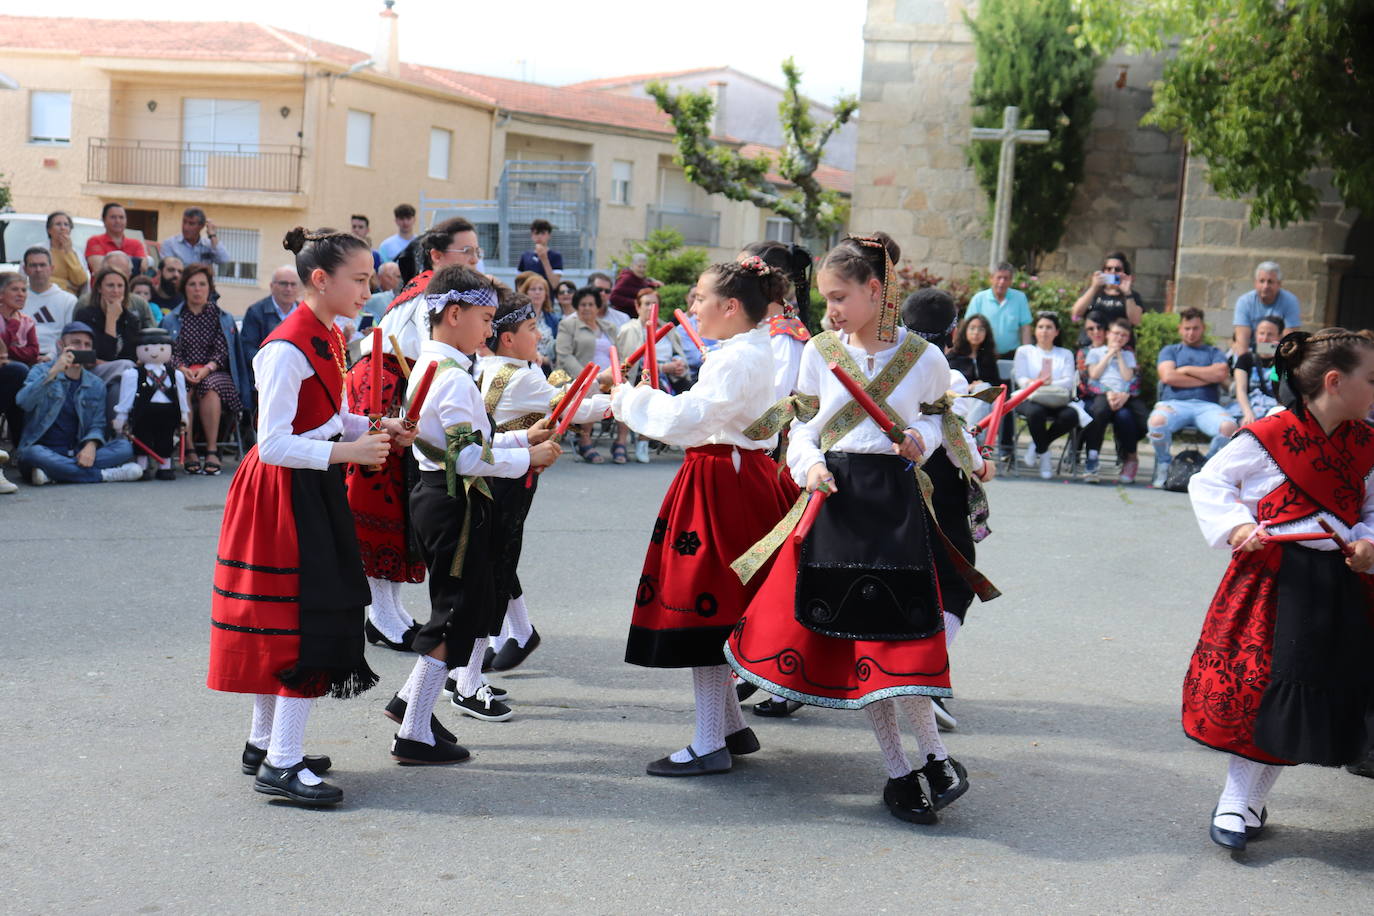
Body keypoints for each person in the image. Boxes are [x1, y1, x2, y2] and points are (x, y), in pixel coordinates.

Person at [725, 234, 971, 824]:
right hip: (835, 501)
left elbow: (944, 422)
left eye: (840, 297)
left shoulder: (925, 358)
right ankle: (899, 771)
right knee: (860, 642)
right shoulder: (821, 351)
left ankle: (934, 757)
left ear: (874, 291)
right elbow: (802, 427)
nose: (830, 309)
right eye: (825, 298)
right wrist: (807, 465)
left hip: (895, 507)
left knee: (902, 644)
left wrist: (922, 441)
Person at [208, 227, 410, 806]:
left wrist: (377, 428)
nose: (369, 289)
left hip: (309, 485)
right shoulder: (284, 348)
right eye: (361, 279)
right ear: (320, 280)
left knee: (295, 617)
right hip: (282, 494)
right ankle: (282, 762)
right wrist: (349, 452)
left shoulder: (330, 333)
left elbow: (328, 418)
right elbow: (270, 443)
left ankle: (265, 744)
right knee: (301, 620)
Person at [1182, 328, 1374, 852]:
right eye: (1372, 379)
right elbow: (1208, 483)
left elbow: (1371, 510)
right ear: (1335, 382)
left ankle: (1247, 798)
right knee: (1258, 693)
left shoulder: (1367, 444)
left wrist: (1368, 542)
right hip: (1269, 582)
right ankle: (1236, 798)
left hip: (1335, 586)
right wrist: (1239, 528)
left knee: (1303, 695)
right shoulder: (1267, 437)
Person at [612, 257, 799, 776]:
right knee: (718, 601)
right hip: (735, 475)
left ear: (730, 306)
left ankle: (708, 740)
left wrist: (629, 399)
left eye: (699, 297)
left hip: (723, 482)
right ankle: (730, 726)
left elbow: (691, 418)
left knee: (705, 605)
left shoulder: (736, 358)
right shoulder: (749, 348)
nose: (693, 306)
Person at [385, 266, 560, 763]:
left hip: (437, 495)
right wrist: (528, 458)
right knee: (455, 616)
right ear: (454, 314)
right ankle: (413, 730)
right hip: (453, 503)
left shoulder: (434, 367)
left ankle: (411, 713)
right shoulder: (455, 378)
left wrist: (520, 437)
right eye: (485, 319)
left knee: (460, 612)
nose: (489, 330)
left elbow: (461, 443)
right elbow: (465, 459)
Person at [346, 217, 484, 652]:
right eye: (468, 252)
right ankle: (380, 614)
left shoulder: (435, 289)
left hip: (400, 386)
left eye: (477, 251)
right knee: (382, 504)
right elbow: (435, 354)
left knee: (399, 506)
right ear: (438, 256)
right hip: (387, 391)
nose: (475, 259)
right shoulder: (433, 291)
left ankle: (389, 610)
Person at [474, 292, 609, 694]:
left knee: (495, 554)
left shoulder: (486, 366)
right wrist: (620, 401)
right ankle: (508, 637)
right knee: (496, 556)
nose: (541, 335)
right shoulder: (523, 375)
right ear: (509, 338)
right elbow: (572, 408)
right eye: (532, 329)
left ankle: (512, 634)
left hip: (492, 471)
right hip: (509, 475)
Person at [901, 287, 997, 730]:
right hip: (934, 483)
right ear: (953, 331)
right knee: (956, 580)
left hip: (877, 481)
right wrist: (981, 465)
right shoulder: (945, 374)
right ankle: (923, 676)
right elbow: (955, 437)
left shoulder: (881, 364)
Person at [14, 322, 140, 485]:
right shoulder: (40, 371)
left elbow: (98, 423)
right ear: (61, 345)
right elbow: (23, 402)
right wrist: (54, 372)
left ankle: (54, 474)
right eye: (76, 343)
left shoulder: (96, 384)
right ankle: (105, 475)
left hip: (78, 451)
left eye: (87, 345)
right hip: (45, 450)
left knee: (125, 447)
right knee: (31, 453)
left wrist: (91, 446)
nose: (82, 348)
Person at [165, 265, 241, 476]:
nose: (197, 289)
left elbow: (223, 351)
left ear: (209, 288)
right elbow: (169, 351)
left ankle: (211, 450)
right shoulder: (172, 319)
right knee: (182, 385)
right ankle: (189, 449)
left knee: (209, 386)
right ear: (184, 288)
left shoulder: (221, 317)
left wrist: (207, 369)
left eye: (202, 284)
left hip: (215, 372)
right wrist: (182, 368)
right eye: (192, 284)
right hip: (183, 371)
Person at [1148, 307, 1237, 488]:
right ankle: (1164, 465)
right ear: (1180, 328)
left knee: (1229, 427)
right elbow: (1168, 377)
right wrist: (1205, 378)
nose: (1191, 333)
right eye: (1187, 328)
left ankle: (1207, 468)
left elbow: (1220, 374)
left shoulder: (1214, 352)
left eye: (1195, 328)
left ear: (1203, 328)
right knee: (1156, 422)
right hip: (1174, 404)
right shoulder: (1170, 350)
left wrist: (1186, 370)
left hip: (1207, 406)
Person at [964, 262, 1029, 457]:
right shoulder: (979, 298)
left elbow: (1025, 327)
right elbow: (969, 324)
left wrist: (1025, 353)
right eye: (998, 277)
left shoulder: (1019, 298)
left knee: (1007, 402)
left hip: (1009, 356)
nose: (1002, 282)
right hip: (985, 354)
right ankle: (976, 440)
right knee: (985, 397)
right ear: (991, 278)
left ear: (1011, 280)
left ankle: (1006, 449)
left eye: (1006, 278)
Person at [1013, 311, 1079, 480]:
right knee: (1036, 413)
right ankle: (1045, 456)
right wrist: (1036, 383)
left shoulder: (1065, 354)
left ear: (1056, 332)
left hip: (1056, 398)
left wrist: (1047, 383)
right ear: (1035, 330)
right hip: (1029, 397)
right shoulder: (1024, 351)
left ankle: (1037, 444)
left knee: (1071, 416)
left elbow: (1068, 381)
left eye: (1049, 327)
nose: (1044, 331)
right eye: (1041, 327)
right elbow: (1021, 378)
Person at [556, 286, 618, 464]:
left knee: (625, 391)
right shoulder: (568, 325)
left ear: (598, 307)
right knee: (592, 390)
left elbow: (618, 353)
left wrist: (618, 374)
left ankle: (621, 442)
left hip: (609, 376)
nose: (587, 308)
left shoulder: (609, 327)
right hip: (578, 377)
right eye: (582, 304)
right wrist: (589, 377)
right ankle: (585, 441)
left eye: (591, 304)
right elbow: (564, 356)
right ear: (576, 306)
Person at [1082, 318, 1146, 484]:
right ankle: (1093, 457)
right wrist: (1109, 354)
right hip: (1102, 393)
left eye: (1124, 335)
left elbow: (1128, 377)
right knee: (1099, 412)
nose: (1119, 338)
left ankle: (1130, 457)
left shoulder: (1128, 355)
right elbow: (1094, 375)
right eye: (1116, 334)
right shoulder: (1096, 352)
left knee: (1131, 418)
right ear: (1108, 334)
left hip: (1123, 395)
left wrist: (1119, 355)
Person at [1, 272, 40, 449]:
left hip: (15, 373)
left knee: (21, 379)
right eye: (15, 289)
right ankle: (21, 446)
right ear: (1, 294)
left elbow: (33, 352)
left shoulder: (27, 321)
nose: (21, 294)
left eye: (24, 290)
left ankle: (22, 447)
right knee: (19, 372)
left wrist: (10, 352)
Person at [1070, 251, 1144, 345]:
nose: (1112, 272)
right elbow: (1076, 313)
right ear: (1103, 271)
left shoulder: (1132, 296)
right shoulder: (1094, 292)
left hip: (1119, 346)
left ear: (1124, 272)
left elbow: (1136, 321)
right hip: (1091, 345)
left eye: (1117, 269)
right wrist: (1094, 287)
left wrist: (1127, 292)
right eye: (1108, 269)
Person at [1232, 261, 1301, 356]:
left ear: (1279, 284)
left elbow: (1289, 344)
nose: (1265, 286)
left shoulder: (1290, 301)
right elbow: (1242, 345)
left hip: (1279, 355)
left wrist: (1264, 350)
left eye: (1270, 281)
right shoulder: (1244, 302)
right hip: (1250, 353)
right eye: (1262, 281)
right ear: (1255, 283)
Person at [241, 266, 302, 371]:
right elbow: (248, 351)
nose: (289, 289)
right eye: (283, 283)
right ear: (271, 286)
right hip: (265, 375)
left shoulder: (305, 314)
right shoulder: (256, 312)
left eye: (293, 284)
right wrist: (277, 365)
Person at [21, 247, 77, 361]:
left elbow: (70, 337)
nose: (38, 269)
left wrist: (51, 357)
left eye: (42, 265)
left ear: (51, 268)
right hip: (21, 357)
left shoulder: (68, 300)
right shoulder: (16, 299)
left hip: (57, 358)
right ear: (25, 269)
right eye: (33, 265)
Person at [1233, 315, 1285, 426]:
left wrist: (1280, 356)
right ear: (1256, 334)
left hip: (1275, 409)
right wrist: (1248, 412)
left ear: (1279, 336)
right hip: (1249, 407)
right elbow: (1240, 389)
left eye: (1270, 334)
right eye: (1261, 333)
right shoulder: (1246, 358)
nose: (1265, 339)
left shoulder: (1285, 360)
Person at [84, 202, 147, 275]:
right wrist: (132, 263)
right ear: (104, 220)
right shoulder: (95, 241)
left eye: (121, 217)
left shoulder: (136, 244)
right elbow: (99, 270)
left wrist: (109, 263)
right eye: (113, 217)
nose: (118, 221)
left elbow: (143, 267)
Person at [158, 207, 229, 267]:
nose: (186, 227)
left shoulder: (208, 245)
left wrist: (213, 235)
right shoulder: (170, 244)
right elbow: (168, 270)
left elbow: (223, 259)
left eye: (191, 224)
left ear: (201, 226)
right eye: (184, 222)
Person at [515, 271, 557, 370]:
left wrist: (545, 359)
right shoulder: (518, 316)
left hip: (547, 368)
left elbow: (558, 348)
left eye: (541, 289)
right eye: (533, 289)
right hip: (524, 366)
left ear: (546, 294)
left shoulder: (553, 319)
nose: (537, 292)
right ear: (526, 293)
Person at [44, 211, 88, 296]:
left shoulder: (76, 253)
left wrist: (69, 252)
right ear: (49, 230)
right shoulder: (40, 250)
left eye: (66, 225)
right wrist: (65, 284)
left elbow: (80, 281)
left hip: (70, 299)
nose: (62, 228)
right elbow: (35, 278)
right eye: (58, 224)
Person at [609, 253, 662, 318]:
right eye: (639, 266)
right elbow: (613, 297)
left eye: (644, 266)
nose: (642, 269)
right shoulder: (626, 278)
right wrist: (636, 302)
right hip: (625, 317)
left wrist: (654, 284)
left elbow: (639, 288)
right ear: (632, 266)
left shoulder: (640, 278)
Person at [515, 218, 563, 288]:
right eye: (536, 233)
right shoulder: (525, 256)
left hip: (547, 297)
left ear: (549, 235)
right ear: (532, 235)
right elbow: (519, 282)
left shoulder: (555, 256)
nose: (539, 236)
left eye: (543, 233)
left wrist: (545, 259)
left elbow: (555, 284)